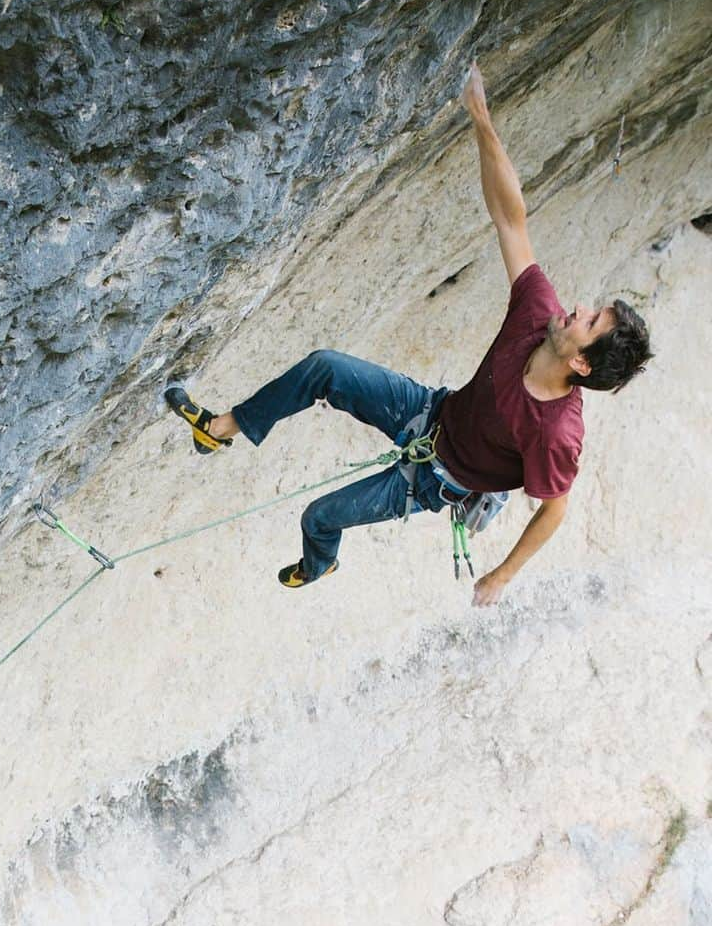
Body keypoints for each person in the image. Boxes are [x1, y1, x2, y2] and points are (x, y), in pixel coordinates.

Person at [165, 62, 652, 605]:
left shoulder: (556, 432)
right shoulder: (540, 314)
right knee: (324, 365)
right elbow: (512, 220)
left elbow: (554, 507)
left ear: (581, 363)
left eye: (590, 322)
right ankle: (220, 428)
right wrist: (481, 118)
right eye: (591, 309)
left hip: (432, 482)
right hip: (428, 412)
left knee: (319, 516)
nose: (578, 309)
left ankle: (319, 564)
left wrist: (501, 575)